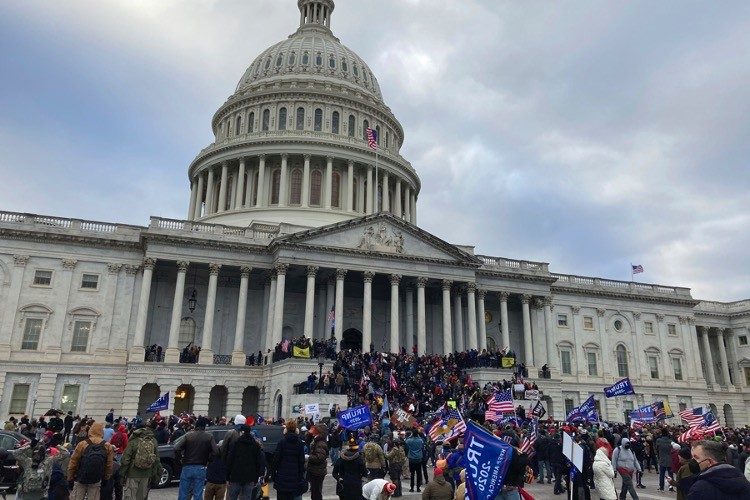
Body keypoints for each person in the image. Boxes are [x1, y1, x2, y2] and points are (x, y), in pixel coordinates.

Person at [68, 422, 115, 500]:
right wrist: (106, 478)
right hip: (96, 479)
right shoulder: (107, 446)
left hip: (81, 478)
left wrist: (70, 477)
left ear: (90, 430)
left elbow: (73, 462)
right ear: (101, 432)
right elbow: (109, 465)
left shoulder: (82, 444)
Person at [174, 417, 218, 500]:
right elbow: (216, 452)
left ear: (196, 425)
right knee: (198, 493)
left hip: (187, 466)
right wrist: (209, 459)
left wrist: (181, 457)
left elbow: (176, 447)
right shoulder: (209, 436)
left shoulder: (189, 435)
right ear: (204, 426)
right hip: (201, 467)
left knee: (183, 493)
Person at [119, 421, 161, 500]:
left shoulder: (134, 441)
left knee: (130, 497)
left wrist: (122, 474)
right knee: (141, 497)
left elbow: (125, 460)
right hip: (146, 474)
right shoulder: (154, 441)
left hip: (132, 473)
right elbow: (157, 460)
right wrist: (155, 474)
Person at [226, 424, 266, 500]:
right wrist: (256, 478)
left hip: (236, 476)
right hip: (250, 477)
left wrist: (227, 476)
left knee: (233, 497)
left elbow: (230, 460)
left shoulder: (236, 443)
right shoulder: (255, 445)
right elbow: (258, 463)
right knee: (247, 497)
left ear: (242, 432)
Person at [273, 421, 306, 500]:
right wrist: (300, 476)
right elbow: (301, 461)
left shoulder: (282, 442)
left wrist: (274, 475)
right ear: (296, 429)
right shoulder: (299, 443)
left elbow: (276, 460)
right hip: (295, 477)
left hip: (282, 477)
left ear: (286, 429)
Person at [306, 425, 328, 500]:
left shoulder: (320, 443)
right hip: (315, 470)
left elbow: (320, 458)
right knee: (314, 492)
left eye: (314, 429)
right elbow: (307, 439)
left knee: (316, 493)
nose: (312, 431)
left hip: (318, 471)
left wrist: (309, 457)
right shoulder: (316, 440)